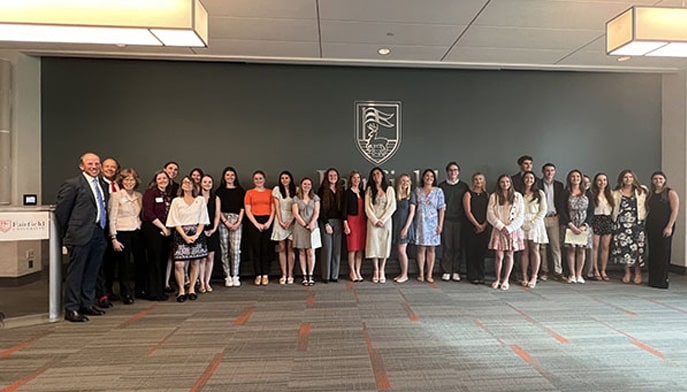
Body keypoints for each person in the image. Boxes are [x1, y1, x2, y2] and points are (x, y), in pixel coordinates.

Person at [55, 152, 110, 322]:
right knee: (76, 273)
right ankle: (71, 308)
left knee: (92, 272)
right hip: (80, 235)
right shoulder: (72, 184)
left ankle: (87, 303)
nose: (94, 167)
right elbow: (62, 212)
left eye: (96, 164)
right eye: (90, 164)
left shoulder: (103, 184)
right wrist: (69, 233)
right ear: (82, 166)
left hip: (98, 233)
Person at [166, 176, 210, 302]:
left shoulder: (200, 200)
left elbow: (203, 219)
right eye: (185, 182)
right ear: (181, 185)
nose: (187, 185)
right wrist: (184, 236)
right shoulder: (176, 201)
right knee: (179, 264)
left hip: (197, 232)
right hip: (181, 234)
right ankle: (181, 290)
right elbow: (174, 220)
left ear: (194, 185)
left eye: (190, 183)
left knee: (195, 262)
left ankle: (191, 288)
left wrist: (196, 235)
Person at [107, 168, 145, 305]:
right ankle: (125, 293)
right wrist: (113, 238)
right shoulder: (115, 196)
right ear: (121, 181)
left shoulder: (139, 196)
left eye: (132, 179)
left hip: (136, 231)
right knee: (124, 265)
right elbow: (112, 218)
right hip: (121, 232)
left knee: (140, 262)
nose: (129, 182)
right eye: (126, 179)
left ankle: (139, 289)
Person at [487, 174, 524, 291]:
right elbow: (490, 214)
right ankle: (497, 278)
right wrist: (501, 226)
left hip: (512, 230)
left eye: (507, 182)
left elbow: (520, 215)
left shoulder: (518, 196)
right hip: (499, 229)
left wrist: (510, 228)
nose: (505, 184)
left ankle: (506, 279)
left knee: (509, 254)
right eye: (502, 182)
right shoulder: (494, 196)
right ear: (499, 183)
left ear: (511, 183)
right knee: (498, 255)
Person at [611, 169, 648, 284]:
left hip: (637, 224)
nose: (628, 179)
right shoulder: (616, 193)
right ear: (621, 179)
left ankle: (637, 272)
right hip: (621, 224)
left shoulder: (642, 191)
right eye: (625, 177)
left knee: (638, 249)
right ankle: (627, 272)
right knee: (624, 249)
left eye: (630, 177)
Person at [141, 170, 173, 301]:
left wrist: (168, 228)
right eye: (159, 178)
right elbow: (148, 213)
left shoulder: (168, 195)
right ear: (155, 180)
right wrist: (162, 227)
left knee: (163, 259)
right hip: (153, 229)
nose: (162, 180)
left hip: (166, 230)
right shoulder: (150, 193)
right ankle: (153, 292)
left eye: (164, 178)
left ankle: (160, 289)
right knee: (154, 260)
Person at [646, 171, 679, 289]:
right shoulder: (651, 194)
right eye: (655, 179)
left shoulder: (670, 193)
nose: (658, 181)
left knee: (663, 252)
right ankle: (653, 279)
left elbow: (675, 210)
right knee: (653, 252)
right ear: (652, 180)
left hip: (665, 226)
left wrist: (669, 226)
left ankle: (662, 280)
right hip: (652, 226)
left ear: (664, 180)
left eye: (660, 179)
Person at [561, 169, 594, 284]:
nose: (575, 179)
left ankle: (579, 274)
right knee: (571, 249)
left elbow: (591, 211)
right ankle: (572, 274)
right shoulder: (566, 192)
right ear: (569, 179)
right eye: (573, 177)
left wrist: (584, 225)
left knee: (581, 249)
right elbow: (562, 210)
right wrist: (570, 224)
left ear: (581, 179)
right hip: (570, 224)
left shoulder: (588, 192)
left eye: (578, 177)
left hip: (583, 225)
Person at [95, 156, 120, 308]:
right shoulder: (97, 184)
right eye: (107, 166)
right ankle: (101, 294)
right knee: (100, 264)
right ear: (102, 168)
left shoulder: (118, 186)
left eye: (113, 167)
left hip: (115, 230)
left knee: (111, 262)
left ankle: (108, 290)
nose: (110, 169)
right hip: (102, 230)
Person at [365, 167, 397, 283]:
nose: (376, 176)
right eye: (373, 175)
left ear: (382, 175)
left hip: (386, 221)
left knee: (384, 244)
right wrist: (375, 220)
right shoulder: (369, 190)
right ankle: (376, 270)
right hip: (373, 221)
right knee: (373, 245)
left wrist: (382, 220)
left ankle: (382, 270)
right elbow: (367, 207)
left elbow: (392, 206)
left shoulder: (389, 189)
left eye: (378, 174)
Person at [438, 162, 469, 282]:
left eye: (455, 170)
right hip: (446, 220)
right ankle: (446, 270)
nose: (453, 172)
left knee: (458, 246)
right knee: (447, 245)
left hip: (460, 220)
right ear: (447, 172)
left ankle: (456, 270)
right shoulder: (441, 186)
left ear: (458, 172)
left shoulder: (463, 186)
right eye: (451, 170)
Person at [414, 169, 446, 283]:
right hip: (420, 223)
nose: (429, 178)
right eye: (427, 176)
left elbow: (442, 208)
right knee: (421, 249)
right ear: (423, 178)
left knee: (431, 249)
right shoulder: (417, 191)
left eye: (431, 176)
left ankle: (429, 274)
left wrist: (440, 225)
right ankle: (421, 273)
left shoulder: (438, 191)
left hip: (433, 224)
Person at [215, 167, 245, 287]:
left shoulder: (240, 191)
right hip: (223, 220)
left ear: (235, 177)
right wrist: (225, 221)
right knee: (225, 249)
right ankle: (227, 275)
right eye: (227, 175)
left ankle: (235, 275)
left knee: (235, 250)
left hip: (237, 219)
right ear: (224, 177)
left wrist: (238, 222)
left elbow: (243, 208)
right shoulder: (219, 191)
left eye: (232, 175)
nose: (230, 177)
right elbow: (218, 209)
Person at [244, 170, 275, 285]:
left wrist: (268, 222)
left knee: (266, 250)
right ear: (253, 180)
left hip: (267, 221)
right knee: (256, 250)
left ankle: (265, 274)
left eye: (260, 178)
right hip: (254, 222)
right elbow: (248, 210)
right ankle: (258, 274)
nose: (258, 181)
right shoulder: (249, 193)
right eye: (256, 179)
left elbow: (273, 209)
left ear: (264, 180)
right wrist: (256, 224)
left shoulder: (270, 192)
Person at [520, 171, 548, 288]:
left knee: (535, 250)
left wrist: (532, 223)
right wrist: (521, 223)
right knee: (524, 251)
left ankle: (534, 276)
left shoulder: (540, 193)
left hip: (535, 223)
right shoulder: (518, 193)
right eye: (526, 178)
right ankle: (525, 276)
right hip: (521, 223)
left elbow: (543, 210)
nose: (529, 180)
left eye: (531, 178)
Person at [292, 178, 320, 286]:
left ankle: (311, 275)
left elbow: (317, 212)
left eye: (309, 184)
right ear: (301, 185)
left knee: (311, 252)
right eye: (304, 184)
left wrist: (312, 223)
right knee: (302, 252)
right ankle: (304, 276)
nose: (307, 186)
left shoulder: (315, 198)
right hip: (300, 227)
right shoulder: (296, 198)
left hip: (312, 227)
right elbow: (295, 213)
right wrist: (304, 224)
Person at [317, 168, 344, 283]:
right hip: (325, 222)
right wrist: (326, 223)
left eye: (335, 175)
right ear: (327, 177)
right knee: (327, 249)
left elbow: (343, 209)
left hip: (338, 222)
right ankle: (326, 276)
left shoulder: (341, 190)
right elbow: (320, 210)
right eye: (330, 175)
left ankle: (334, 275)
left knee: (337, 250)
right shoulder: (322, 190)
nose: (333, 177)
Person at [463, 173, 490, 285]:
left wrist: (484, 225)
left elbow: (490, 211)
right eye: (476, 179)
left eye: (480, 179)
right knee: (471, 251)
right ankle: (472, 275)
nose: (478, 181)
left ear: (483, 181)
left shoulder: (487, 195)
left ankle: (481, 275)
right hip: (471, 227)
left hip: (485, 226)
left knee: (481, 252)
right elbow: (467, 211)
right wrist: (477, 225)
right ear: (472, 181)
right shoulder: (468, 194)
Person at [539, 163, 565, 281]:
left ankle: (558, 271)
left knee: (556, 246)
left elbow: (562, 201)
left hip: (554, 218)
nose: (549, 173)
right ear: (543, 172)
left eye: (552, 170)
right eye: (547, 171)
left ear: (555, 172)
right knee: (542, 246)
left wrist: (560, 215)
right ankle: (544, 270)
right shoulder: (538, 184)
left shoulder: (559, 185)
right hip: (541, 218)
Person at [272, 170, 296, 285]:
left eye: (287, 178)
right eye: (282, 178)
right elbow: (276, 207)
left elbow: (296, 207)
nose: (284, 180)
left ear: (290, 179)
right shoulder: (277, 190)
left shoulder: (296, 190)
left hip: (292, 219)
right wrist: (281, 221)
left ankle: (290, 274)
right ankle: (284, 274)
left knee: (290, 247)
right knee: (281, 247)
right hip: (280, 219)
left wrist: (290, 220)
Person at [392, 173, 416, 284]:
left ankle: (405, 274)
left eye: (407, 181)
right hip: (397, 225)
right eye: (402, 180)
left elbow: (412, 213)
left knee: (402, 250)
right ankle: (402, 273)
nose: (405, 183)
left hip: (405, 226)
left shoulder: (411, 195)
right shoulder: (396, 195)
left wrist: (406, 228)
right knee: (399, 250)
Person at [343, 171, 366, 282]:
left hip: (362, 222)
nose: (356, 180)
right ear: (351, 180)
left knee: (360, 249)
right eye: (354, 178)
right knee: (352, 249)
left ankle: (358, 271)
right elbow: (344, 211)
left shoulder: (363, 192)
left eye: (358, 178)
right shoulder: (347, 193)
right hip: (351, 222)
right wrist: (345, 224)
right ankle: (352, 271)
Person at [590, 173, 614, 281]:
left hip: (607, 220)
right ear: (595, 182)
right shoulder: (591, 194)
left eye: (604, 180)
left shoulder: (611, 194)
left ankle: (603, 269)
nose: (602, 182)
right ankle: (595, 269)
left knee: (605, 247)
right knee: (595, 247)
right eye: (599, 180)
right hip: (596, 219)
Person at [199, 174, 220, 293]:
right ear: (201, 183)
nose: (207, 184)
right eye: (205, 182)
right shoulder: (197, 198)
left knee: (210, 257)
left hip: (212, 230)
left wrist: (213, 229)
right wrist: (200, 230)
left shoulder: (215, 198)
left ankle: (207, 282)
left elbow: (217, 215)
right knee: (201, 258)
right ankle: (201, 283)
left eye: (210, 182)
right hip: (200, 231)